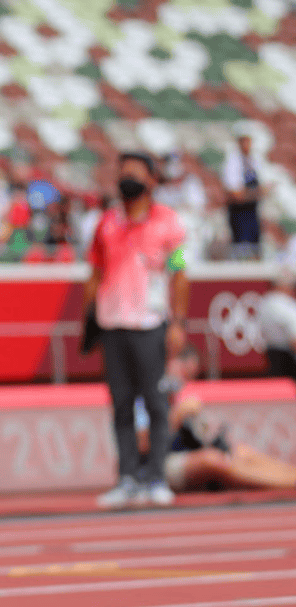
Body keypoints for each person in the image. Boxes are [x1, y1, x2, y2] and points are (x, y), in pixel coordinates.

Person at [87, 151, 189, 510]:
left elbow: (179, 271)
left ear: (152, 181)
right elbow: (95, 272)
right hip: (113, 324)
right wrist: (91, 316)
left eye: (134, 173)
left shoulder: (169, 223)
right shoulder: (106, 223)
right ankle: (127, 478)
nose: (126, 178)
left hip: (150, 324)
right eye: (122, 172)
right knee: (121, 405)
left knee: (157, 404)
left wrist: (178, 322)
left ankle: (156, 477)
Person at [135, 345, 296, 494]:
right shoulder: (144, 395)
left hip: (183, 453)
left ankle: (292, 476)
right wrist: (177, 416)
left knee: (241, 451)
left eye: (189, 377)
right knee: (211, 460)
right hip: (155, 465)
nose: (183, 381)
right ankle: (289, 485)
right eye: (184, 372)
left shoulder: (175, 397)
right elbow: (142, 446)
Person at [221, 131, 264, 260]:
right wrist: (256, 193)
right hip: (239, 215)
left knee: (255, 249)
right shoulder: (232, 163)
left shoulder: (254, 161)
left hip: (252, 213)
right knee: (242, 253)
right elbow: (236, 195)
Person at [258, 267, 296, 383]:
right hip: (288, 361)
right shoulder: (285, 305)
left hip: (272, 358)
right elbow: (294, 339)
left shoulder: (264, 303)